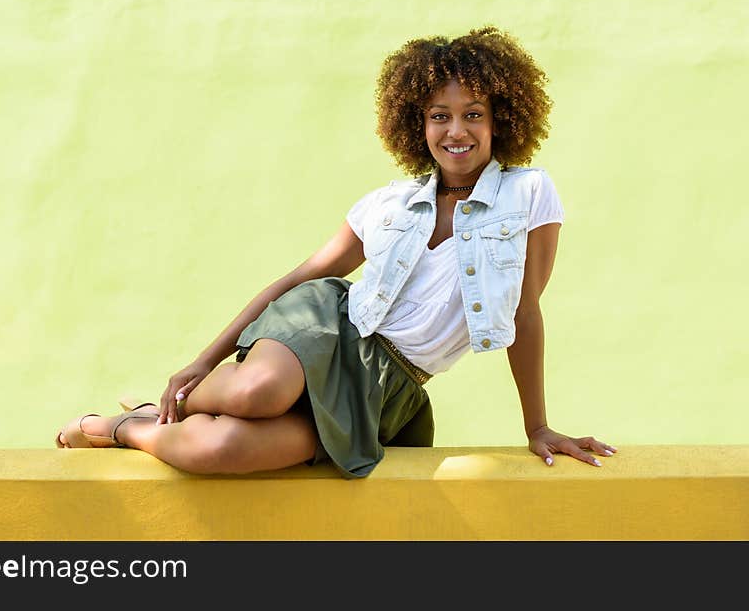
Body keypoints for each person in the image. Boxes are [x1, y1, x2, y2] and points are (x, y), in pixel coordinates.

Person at [55, 25, 616, 478]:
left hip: (389, 382)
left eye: (473, 113)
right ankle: (193, 396)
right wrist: (203, 360)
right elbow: (299, 278)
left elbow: (525, 311)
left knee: (220, 452)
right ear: (416, 123)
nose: (456, 131)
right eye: (439, 116)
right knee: (258, 390)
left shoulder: (530, 194)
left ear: (500, 120)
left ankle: (128, 426)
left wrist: (537, 427)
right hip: (328, 326)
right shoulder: (387, 203)